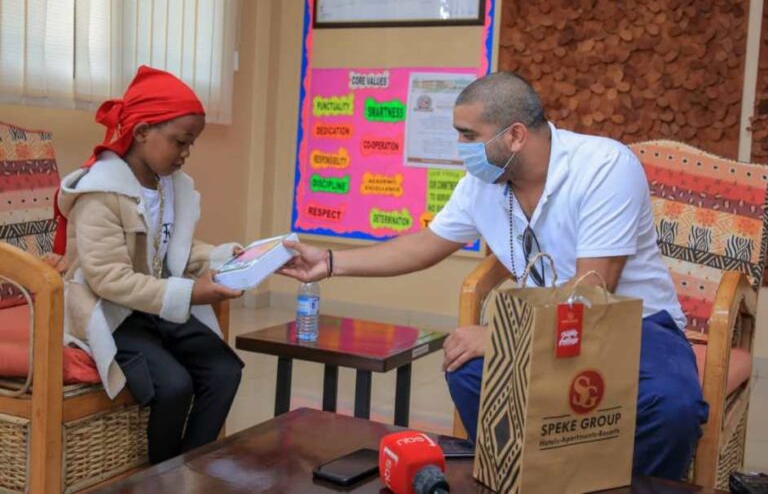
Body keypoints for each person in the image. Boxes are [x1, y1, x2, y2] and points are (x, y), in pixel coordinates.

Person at [280, 71, 709, 480]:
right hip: (546, 326)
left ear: (516, 135)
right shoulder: (480, 184)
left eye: (468, 135)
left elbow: (593, 291)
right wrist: (331, 262)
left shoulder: (603, 166)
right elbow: (424, 244)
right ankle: (521, 475)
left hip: (630, 323)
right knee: (465, 367)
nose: (459, 146)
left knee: (674, 406)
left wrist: (505, 336)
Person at [56, 66, 244, 464]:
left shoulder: (168, 186)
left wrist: (225, 259)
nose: (186, 153)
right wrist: (193, 292)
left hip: (154, 305)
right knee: (174, 385)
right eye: (180, 141)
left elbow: (170, 250)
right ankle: (159, 479)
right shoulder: (100, 194)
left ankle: (188, 467)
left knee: (224, 369)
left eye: (190, 143)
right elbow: (108, 279)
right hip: (111, 311)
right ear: (141, 132)